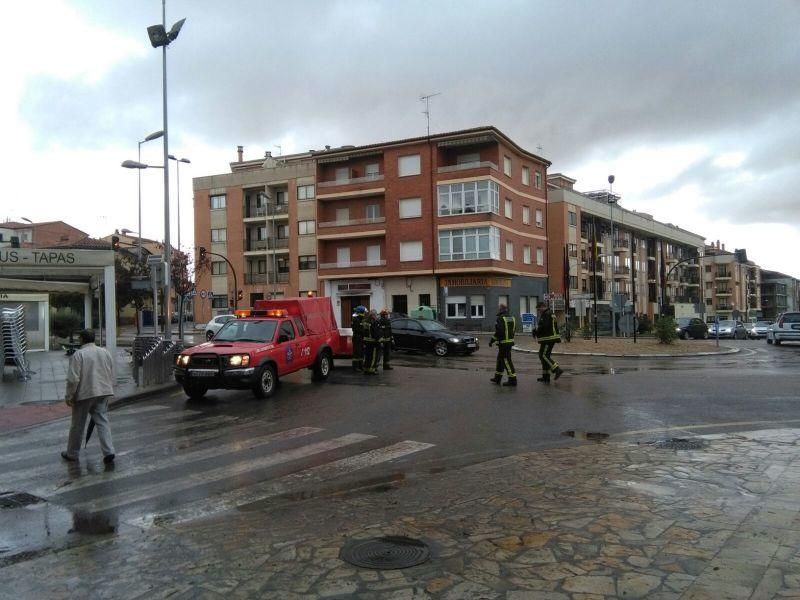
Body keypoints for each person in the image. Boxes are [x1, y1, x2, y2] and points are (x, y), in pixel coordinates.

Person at [61, 329, 116, 463]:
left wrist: (69, 396)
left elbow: (73, 379)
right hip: (103, 391)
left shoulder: (78, 355)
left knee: (78, 425)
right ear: (94, 339)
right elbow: (110, 370)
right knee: (102, 421)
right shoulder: (105, 352)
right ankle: (109, 451)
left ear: (81, 339)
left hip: (84, 393)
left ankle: (72, 453)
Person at [534, 302, 564, 383]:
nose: (539, 311)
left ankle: (557, 369)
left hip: (548, 339)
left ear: (543, 307)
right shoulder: (550, 313)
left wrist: (536, 331)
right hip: (549, 338)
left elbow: (544, 326)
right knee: (544, 356)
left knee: (543, 356)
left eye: (539, 309)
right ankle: (546, 376)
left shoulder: (546, 314)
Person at [489, 304, 517, 386]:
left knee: (506, 361)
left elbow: (499, 332)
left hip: (503, 343)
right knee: (500, 360)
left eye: (499, 309)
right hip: (509, 342)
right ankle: (497, 378)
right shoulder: (512, 318)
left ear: (501, 309)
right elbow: (513, 330)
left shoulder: (500, 318)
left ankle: (512, 380)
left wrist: (491, 341)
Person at [362, 309, 381, 375]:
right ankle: (372, 370)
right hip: (373, 343)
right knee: (373, 357)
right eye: (375, 315)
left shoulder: (365, 321)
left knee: (367, 356)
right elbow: (375, 333)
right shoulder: (374, 322)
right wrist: (379, 340)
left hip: (366, 342)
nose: (376, 316)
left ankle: (366, 369)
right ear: (373, 315)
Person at [351, 305, 366, 371]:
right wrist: (364, 330)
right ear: (360, 312)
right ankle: (356, 367)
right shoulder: (356, 319)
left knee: (361, 352)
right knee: (357, 353)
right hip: (357, 338)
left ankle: (360, 366)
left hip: (360, 338)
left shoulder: (360, 319)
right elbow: (357, 329)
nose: (365, 314)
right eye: (364, 312)